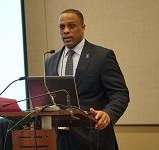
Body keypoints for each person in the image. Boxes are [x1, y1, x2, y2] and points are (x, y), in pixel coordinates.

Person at [45, 9, 129, 150]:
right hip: (60, 140)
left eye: (71, 26)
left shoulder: (102, 56)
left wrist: (108, 113)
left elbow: (120, 93)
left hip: (94, 138)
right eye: (62, 27)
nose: (65, 31)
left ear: (83, 27)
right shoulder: (51, 61)